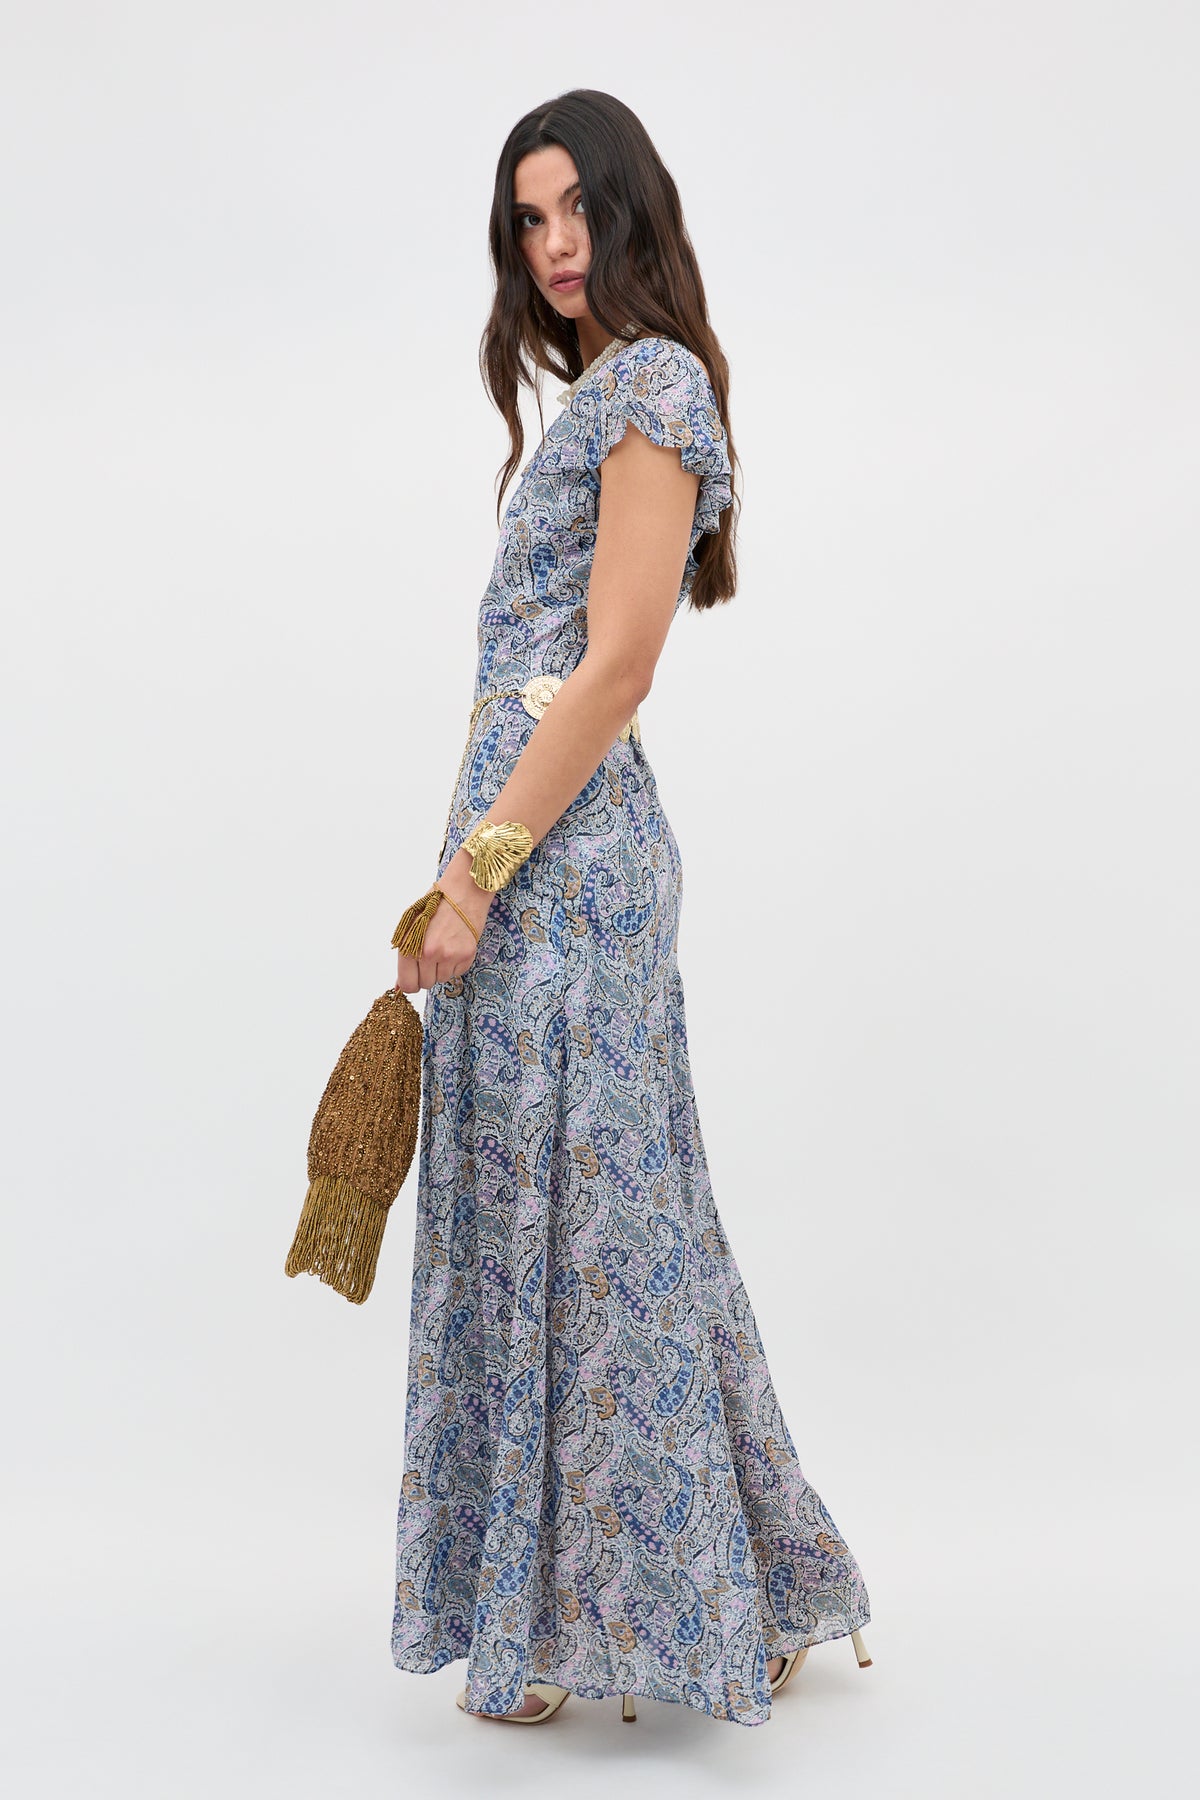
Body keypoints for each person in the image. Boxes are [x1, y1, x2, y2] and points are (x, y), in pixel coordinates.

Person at [389, 88, 872, 1729]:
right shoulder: (594, 394)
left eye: (575, 207)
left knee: (604, 1232)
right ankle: (628, 1610)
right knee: (563, 1225)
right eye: (528, 222)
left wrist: (472, 872)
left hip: (568, 867)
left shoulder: (653, 388)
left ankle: (667, 1624)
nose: (555, 244)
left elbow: (616, 668)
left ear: (632, 206)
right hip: (533, 847)